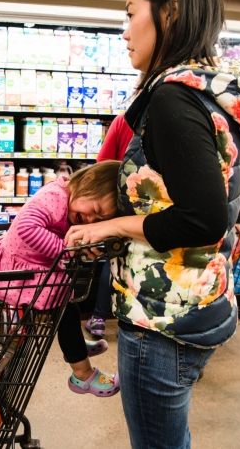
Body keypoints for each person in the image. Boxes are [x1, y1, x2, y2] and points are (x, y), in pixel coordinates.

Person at [65, 0, 240, 447]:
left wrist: (114, 225)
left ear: (170, 12)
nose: (124, 31)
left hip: (162, 321)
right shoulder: (209, 91)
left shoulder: (173, 99)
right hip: (195, 304)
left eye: (130, 14)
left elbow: (204, 219)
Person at [0, 160, 122, 397]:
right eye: (94, 211)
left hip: (33, 270)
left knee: (68, 307)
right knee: (64, 312)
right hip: (17, 276)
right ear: (87, 181)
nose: (90, 221)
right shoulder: (55, 197)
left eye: (99, 221)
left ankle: (74, 346)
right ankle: (82, 374)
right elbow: (26, 227)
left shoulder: (68, 196)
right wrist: (66, 250)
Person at [85, 115, 135, 338]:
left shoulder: (124, 121)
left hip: (118, 203)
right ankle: (132, 320)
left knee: (113, 255)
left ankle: (98, 317)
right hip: (156, 210)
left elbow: (103, 164)